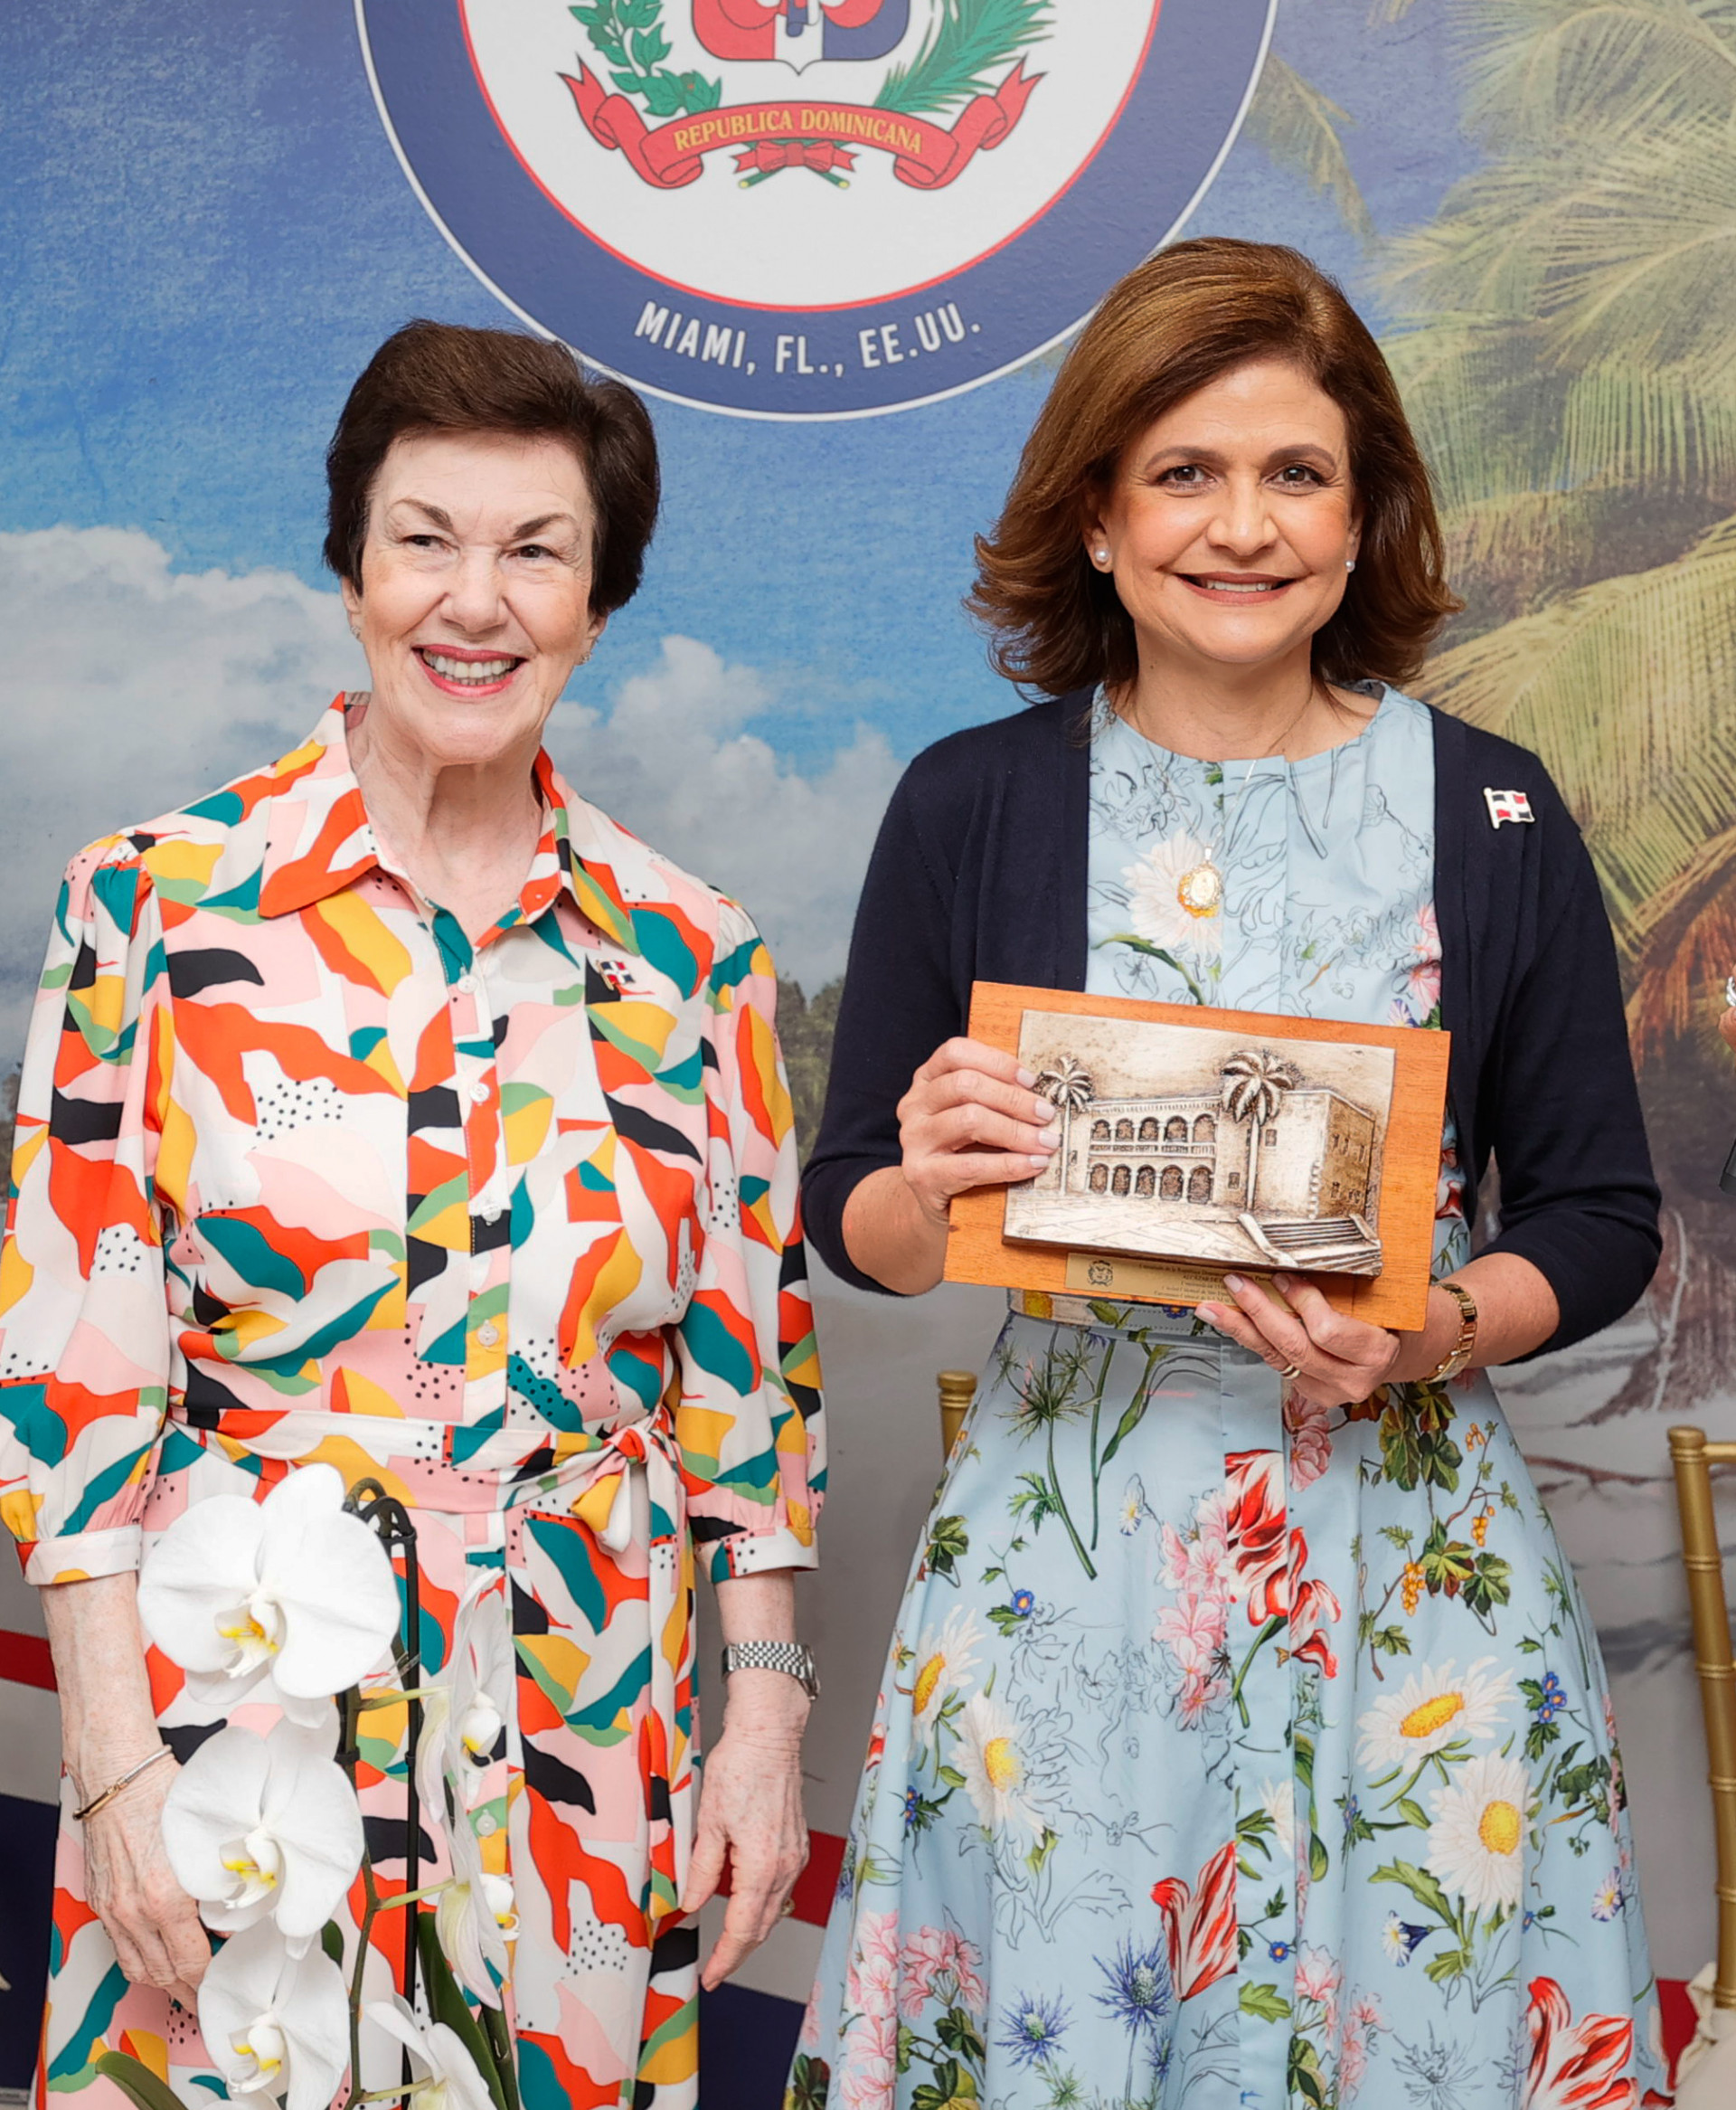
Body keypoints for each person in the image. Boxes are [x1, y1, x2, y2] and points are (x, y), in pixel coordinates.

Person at [787, 241, 1668, 2107]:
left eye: (1297, 475)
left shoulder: (1495, 808)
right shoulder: (971, 801)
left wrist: (1433, 1333)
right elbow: (856, 1218)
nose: (1243, 526)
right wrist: (926, 1182)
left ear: (1363, 518)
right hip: (1064, 1595)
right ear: (1098, 515)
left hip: (1410, 1582)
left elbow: (1600, 1215)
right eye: (1184, 472)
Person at [0, 321, 825, 2110]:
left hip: (583, 1719)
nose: (475, 600)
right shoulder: (154, 909)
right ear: (351, 568)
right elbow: (75, 1385)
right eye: (425, 539)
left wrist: (762, 1721)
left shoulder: (695, 955)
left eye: (536, 550)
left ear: (597, 603)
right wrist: (118, 1766)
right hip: (243, 1716)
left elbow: (745, 1391)